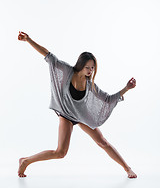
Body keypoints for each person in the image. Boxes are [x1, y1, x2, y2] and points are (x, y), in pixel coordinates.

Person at [17, 31, 137, 178]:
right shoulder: (67, 71)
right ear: (81, 65)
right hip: (66, 115)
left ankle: (127, 168)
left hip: (81, 115)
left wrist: (127, 88)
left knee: (103, 142)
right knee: (60, 152)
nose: (90, 71)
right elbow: (48, 55)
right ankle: (26, 161)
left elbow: (108, 99)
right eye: (88, 67)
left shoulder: (90, 85)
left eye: (93, 68)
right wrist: (29, 40)